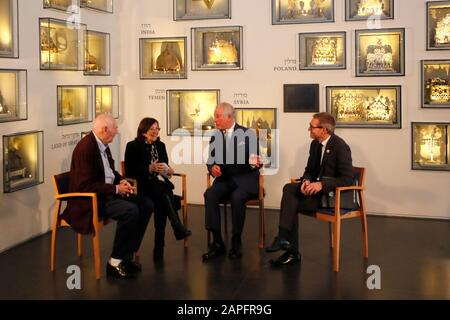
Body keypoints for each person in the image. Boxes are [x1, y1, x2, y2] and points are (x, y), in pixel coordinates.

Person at [62, 114, 153, 278]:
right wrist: (116, 189)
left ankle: (126, 255)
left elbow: (110, 173)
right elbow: (85, 186)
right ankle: (115, 261)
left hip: (105, 194)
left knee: (146, 204)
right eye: (115, 128)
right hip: (91, 201)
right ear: (105, 130)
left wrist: (122, 181)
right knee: (130, 210)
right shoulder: (86, 148)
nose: (117, 131)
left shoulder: (102, 144)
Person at [266, 112, 355, 266]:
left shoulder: (340, 147)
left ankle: (287, 245)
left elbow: (347, 178)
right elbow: (309, 170)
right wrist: (307, 180)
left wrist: (321, 184)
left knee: (290, 201)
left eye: (312, 127)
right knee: (289, 190)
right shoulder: (315, 145)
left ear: (324, 130)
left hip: (331, 198)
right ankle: (285, 241)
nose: (309, 130)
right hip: (315, 194)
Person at [124, 118, 191, 262]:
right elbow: (129, 172)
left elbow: (164, 166)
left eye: (157, 129)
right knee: (163, 193)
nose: (155, 132)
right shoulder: (133, 146)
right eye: (152, 129)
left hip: (158, 186)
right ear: (143, 131)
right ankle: (174, 229)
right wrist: (149, 168)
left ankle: (162, 244)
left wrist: (169, 171)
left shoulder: (160, 145)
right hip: (141, 185)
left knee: (162, 199)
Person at [203, 102, 262, 261]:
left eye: (217, 116)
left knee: (237, 197)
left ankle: (236, 241)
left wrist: (254, 162)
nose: (214, 119)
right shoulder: (215, 136)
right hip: (224, 180)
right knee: (210, 194)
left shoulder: (247, 133)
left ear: (229, 117)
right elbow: (210, 160)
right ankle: (217, 242)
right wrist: (212, 168)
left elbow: (254, 159)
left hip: (245, 180)